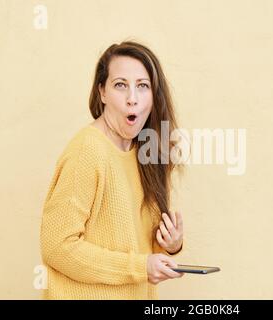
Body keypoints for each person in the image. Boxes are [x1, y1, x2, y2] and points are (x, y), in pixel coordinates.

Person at [40, 41, 185, 299]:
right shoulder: (87, 150)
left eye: (143, 86)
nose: (132, 98)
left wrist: (170, 246)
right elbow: (57, 247)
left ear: (154, 96)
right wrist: (139, 267)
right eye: (120, 85)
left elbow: (140, 253)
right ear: (102, 92)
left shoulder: (146, 154)